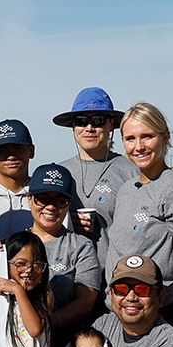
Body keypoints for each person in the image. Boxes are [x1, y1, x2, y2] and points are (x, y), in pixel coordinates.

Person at [104, 102, 173, 323]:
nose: (138, 146)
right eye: (130, 139)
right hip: (117, 312)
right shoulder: (127, 189)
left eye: (147, 136)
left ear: (165, 137)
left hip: (155, 315)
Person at [53, 87, 139, 270]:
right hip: (65, 280)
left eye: (98, 121)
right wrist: (66, 221)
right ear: (73, 127)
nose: (89, 128)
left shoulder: (131, 172)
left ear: (111, 125)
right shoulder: (58, 172)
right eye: (82, 121)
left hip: (115, 282)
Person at [26, 165, 101, 342]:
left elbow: (85, 303)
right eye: (43, 198)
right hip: (19, 340)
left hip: (63, 341)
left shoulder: (81, 246)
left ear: (69, 204)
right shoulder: (13, 243)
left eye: (60, 200)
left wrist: (45, 325)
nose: (50, 207)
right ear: (30, 199)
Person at [0, 119, 36, 239]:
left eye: (18, 148)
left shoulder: (46, 196)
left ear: (31, 151)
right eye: (2, 151)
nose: (11, 156)